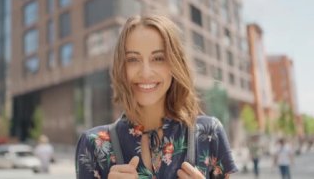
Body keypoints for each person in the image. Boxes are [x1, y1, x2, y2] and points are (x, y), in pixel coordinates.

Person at [75, 15, 238, 178]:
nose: (145, 72)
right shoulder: (92, 144)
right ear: (121, 68)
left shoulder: (210, 134)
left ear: (175, 64)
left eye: (158, 58)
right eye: (133, 59)